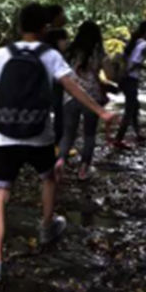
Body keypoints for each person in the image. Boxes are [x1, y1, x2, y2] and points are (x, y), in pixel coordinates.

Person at [0, 3, 115, 284]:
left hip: (4, 136)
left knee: (1, 196)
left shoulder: (3, 54)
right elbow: (73, 87)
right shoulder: (50, 55)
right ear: (45, 28)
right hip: (39, 134)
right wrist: (101, 112)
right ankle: (47, 225)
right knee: (49, 177)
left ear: (19, 26)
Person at [57, 20, 108, 180]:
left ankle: (60, 161)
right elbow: (104, 71)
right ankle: (83, 169)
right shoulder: (98, 51)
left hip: (70, 95)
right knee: (89, 135)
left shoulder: (71, 50)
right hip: (91, 98)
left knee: (68, 134)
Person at [112, 20, 146, 148]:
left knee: (135, 106)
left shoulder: (135, 42)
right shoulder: (145, 44)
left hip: (127, 78)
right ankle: (118, 139)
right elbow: (135, 62)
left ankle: (138, 132)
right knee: (130, 109)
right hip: (130, 78)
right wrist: (129, 72)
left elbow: (129, 59)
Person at [43, 23, 70, 146]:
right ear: (57, 41)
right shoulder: (55, 56)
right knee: (58, 115)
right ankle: (56, 143)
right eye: (64, 39)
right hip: (53, 89)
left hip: (50, 90)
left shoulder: (46, 53)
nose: (67, 42)